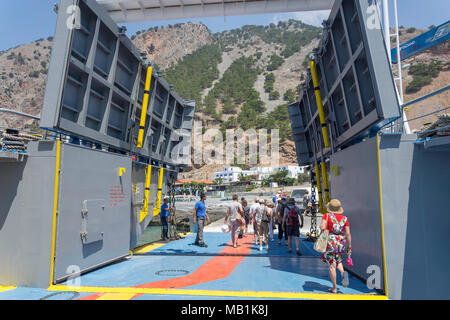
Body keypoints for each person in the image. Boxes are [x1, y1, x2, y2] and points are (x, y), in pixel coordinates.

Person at [319, 199, 352, 293]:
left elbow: (322, 227)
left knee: (331, 265)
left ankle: (334, 287)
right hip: (341, 242)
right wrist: (349, 246)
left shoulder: (327, 216)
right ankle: (343, 272)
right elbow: (348, 233)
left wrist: (324, 230)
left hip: (330, 241)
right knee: (338, 260)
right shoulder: (345, 218)